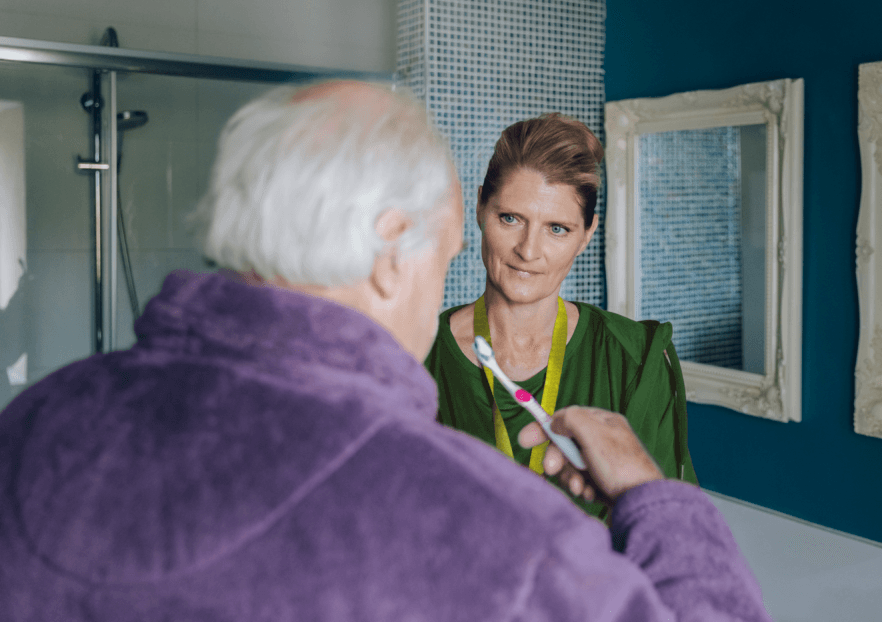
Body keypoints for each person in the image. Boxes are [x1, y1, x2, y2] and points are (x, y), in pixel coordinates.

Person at [0, 81, 770, 621]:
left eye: (558, 229)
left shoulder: (33, 422)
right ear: (392, 252)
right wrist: (650, 497)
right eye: (450, 249)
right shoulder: (491, 530)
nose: (524, 251)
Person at [427, 113, 697, 516]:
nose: (528, 250)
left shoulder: (634, 359)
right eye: (511, 218)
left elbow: (669, 525)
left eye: (557, 229)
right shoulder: (417, 352)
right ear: (481, 206)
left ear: (587, 234)